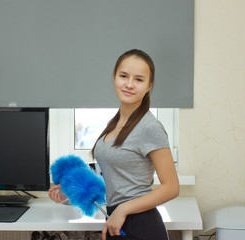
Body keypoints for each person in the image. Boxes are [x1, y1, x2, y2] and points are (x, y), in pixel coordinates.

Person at [48, 49, 179, 240]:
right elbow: (115, 179)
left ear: (149, 85)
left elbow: (172, 187)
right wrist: (71, 190)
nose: (129, 84)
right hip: (116, 222)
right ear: (114, 78)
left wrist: (123, 209)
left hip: (141, 225)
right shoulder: (115, 124)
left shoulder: (150, 127)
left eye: (139, 79)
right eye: (123, 76)